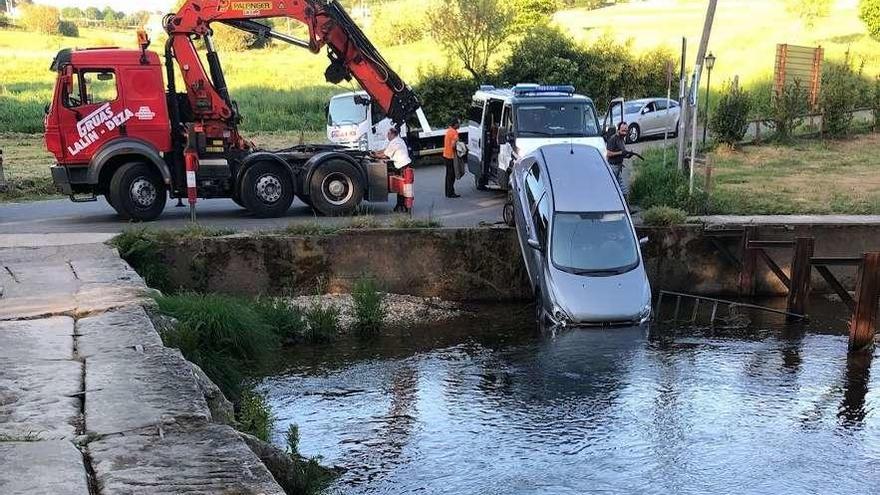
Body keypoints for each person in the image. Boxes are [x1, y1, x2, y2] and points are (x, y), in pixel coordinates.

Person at [373, 127, 412, 212]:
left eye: (388, 134)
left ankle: (402, 205)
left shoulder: (395, 142)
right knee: (402, 186)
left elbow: (386, 155)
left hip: (402, 166)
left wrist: (374, 156)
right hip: (404, 164)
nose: (387, 136)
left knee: (402, 186)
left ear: (392, 134)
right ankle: (401, 205)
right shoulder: (398, 140)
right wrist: (376, 152)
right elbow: (385, 150)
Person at [605, 121, 630, 196]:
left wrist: (627, 155)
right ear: (618, 130)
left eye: (626, 131)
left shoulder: (622, 139)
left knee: (622, 190)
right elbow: (608, 153)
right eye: (623, 130)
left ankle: (625, 205)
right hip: (613, 167)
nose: (625, 132)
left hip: (618, 167)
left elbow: (621, 152)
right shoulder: (613, 139)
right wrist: (620, 153)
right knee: (615, 189)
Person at [443, 118, 461, 198]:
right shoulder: (454, 133)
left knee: (448, 175)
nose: (459, 125)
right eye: (458, 123)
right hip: (451, 156)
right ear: (455, 124)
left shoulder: (449, 131)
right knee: (452, 175)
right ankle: (451, 192)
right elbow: (453, 145)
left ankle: (447, 192)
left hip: (446, 155)